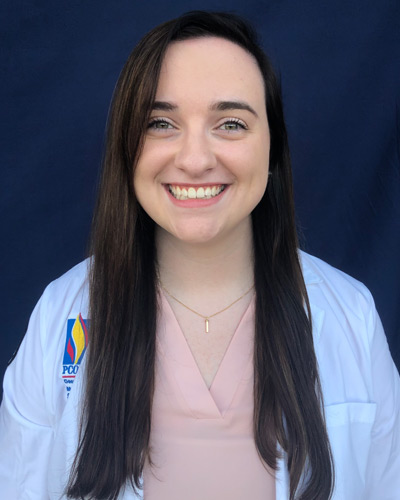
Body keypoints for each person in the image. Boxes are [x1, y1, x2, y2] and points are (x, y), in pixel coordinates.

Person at [0, 10, 399, 500]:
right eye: (161, 122)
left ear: (273, 148)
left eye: (230, 123)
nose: (193, 159)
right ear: (127, 145)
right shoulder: (61, 318)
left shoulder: (350, 316)